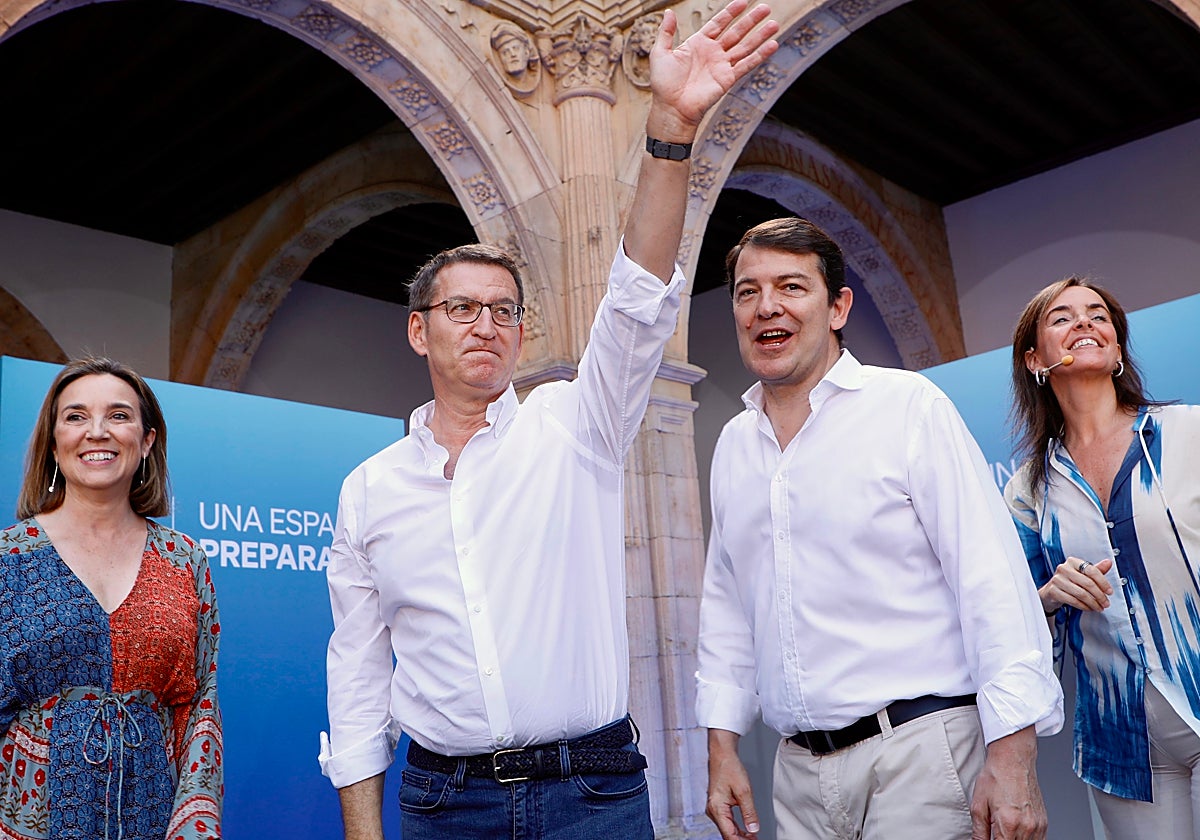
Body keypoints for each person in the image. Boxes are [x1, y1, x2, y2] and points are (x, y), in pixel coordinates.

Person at [318, 3, 779, 839]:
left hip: (589, 799)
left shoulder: (576, 424)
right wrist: (361, 828)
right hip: (441, 806)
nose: (486, 324)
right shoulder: (370, 492)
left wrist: (671, 132)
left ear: (523, 332)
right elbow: (355, 674)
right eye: (462, 308)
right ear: (420, 329)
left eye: (504, 310)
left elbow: (637, 300)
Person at [696, 217, 1064, 840]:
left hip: (920, 754)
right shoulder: (734, 444)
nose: (766, 308)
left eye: (791, 286)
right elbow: (728, 606)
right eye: (747, 291)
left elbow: (989, 580)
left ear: (838, 306)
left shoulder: (908, 407)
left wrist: (1014, 756)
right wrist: (722, 746)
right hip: (797, 776)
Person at [1004, 278, 1200, 838]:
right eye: (1062, 318)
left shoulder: (1188, 432)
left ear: (1116, 349)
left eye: (1098, 315)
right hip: (1120, 742)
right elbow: (1014, 627)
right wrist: (1047, 596)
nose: (1085, 323)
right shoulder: (1027, 490)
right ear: (1035, 358)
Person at [0, 357, 222, 840]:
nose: (96, 431)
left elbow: (198, 705)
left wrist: (196, 824)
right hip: (27, 818)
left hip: (155, 813)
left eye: (119, 416)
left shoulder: (184, 559)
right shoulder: (7, 557)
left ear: (146, 441)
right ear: (53, 443)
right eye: (75, 416)